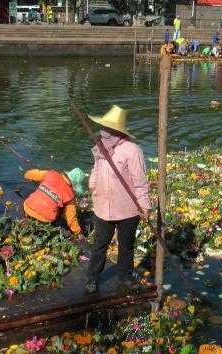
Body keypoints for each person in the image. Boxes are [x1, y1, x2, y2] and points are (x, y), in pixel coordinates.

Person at [84, 105, 152, 294]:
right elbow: (96, 170)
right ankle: (91, 277)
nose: (103, 132)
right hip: (102, 207)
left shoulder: (132, 150)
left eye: (107, 129)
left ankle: (125, 278)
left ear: (117, 131)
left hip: (128, 209)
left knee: (126, 246)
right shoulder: (100, 148)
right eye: (102, 128)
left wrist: (145, 205)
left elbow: (140, 182)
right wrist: (93, 186)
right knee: (100, 245)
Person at [23, 167, 86, 235]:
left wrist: (27, 175)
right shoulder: (70, 195)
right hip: (44, 219)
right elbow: (71, 218)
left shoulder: (51, 174)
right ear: (75, 185)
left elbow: (30, 174)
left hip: (27, 208)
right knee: (61, 210)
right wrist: (78, 233)